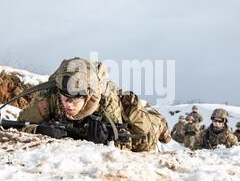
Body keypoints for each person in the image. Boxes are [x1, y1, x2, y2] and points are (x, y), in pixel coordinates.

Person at [17, 57, 172, 152]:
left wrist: (106, 140)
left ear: (88, 96)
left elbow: (128, 146)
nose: (69, 105)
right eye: (65, 98)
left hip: (126, 111)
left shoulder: (106, 102)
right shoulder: (50, 96)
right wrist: (38, 129)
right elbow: (17, 125)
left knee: (145, 138)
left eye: (75, 100)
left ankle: (159, 121)